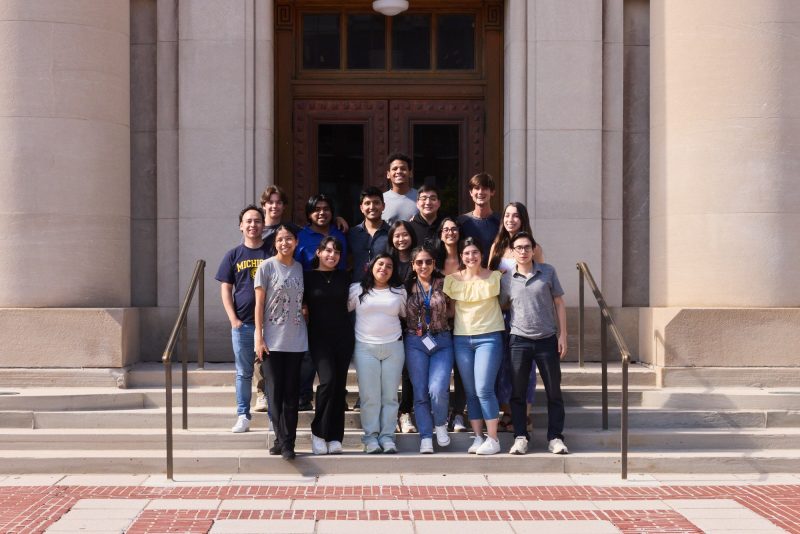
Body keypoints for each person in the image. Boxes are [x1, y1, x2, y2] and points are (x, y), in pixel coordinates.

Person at [500, 232, 568, 455]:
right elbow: (501, 305)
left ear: (533, 249)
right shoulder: (506, 278)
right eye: (518, 248)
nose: (523, 251)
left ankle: (555, 437)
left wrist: (563, 335)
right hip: (519, 340)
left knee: (553, 391)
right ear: (512, 251)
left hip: (547, 339)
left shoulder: (547, 271)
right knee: (518, 392)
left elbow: (559, 303)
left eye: (527, 247)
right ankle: (520, 436)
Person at [443, 236, 505, 455]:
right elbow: (450, 311)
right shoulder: (452, 280)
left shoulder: (495, 277)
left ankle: (493, 439)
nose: (471, 256)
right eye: (467, 253)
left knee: (484, 389)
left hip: (489, 337)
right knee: (470, 392)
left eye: (475, 252)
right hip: (461, 339)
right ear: (461, 256)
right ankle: (478, 437)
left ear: (482, 254)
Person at [215, 205, 271, 434]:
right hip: (243, 325)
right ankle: (243, 415)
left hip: (270, 325)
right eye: (248, 221)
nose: (253, 225)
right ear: (241, 226)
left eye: (257, 221)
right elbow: (225, 288)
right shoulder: (233, 255)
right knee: (244, 372)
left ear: (263, 225)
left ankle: (274, 417)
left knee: (272, 372)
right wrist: (233, 319)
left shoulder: (271, 253)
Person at [254, 225, 308, 460]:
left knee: (291, 395)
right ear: (275, 243)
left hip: (296, 340)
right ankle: (284, 442)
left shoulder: (300, 268)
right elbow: (258, 304)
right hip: (271, 341)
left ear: (296, 242)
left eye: (289, 239)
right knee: (274, 394)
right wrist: (259, 336)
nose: (285, 243)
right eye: (280, 239)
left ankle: (285, 441)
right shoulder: (266, 267)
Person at [487, 202, 541, 432]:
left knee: (525, 365)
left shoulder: (533, 247)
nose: (510, 220)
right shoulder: (497, 246)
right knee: (503, 365)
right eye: (507, 215)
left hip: (524, 314)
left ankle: (525, 415)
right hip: (500, 314)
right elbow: (489, 278)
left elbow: (541, 281)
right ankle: (507, 412)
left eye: (515, 216)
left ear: (523, 219)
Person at [348, 253, 407, 453]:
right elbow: (342, 310)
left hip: (394, 348)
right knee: (369, 396)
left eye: (389, 266)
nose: (384, 268)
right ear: (371, 266)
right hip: (365, 348)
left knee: (390, 396)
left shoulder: (399, 291)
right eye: (380, 264)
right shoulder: (357, 289)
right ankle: (371, 438)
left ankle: (388, 437)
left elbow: (405, 314)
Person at [303, 236, 354, 455]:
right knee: (328, 381)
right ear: (319, 252)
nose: (332, 255)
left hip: (343, 337)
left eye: (337, 252)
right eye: (328, 251)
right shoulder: (307, 277)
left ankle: (335, 436)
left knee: (339, 386)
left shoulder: (345, 277)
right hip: (318, 338)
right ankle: (318, 432)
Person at [404, 246, 454, 453]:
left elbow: (452, 310)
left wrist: (436, 320)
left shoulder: (445, 283)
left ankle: (440, 424)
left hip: (441, 340)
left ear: (434, 263)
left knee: (437, 389)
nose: (424, 265)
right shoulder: (406, 287)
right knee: (420, 391)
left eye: (428, 261)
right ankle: (425, 436)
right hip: (415, 342)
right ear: (413, 265)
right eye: (419, 262)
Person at [434, 217, 467, 432]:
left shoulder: (467, 260)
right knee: (443, 371)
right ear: (440, 234)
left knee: (462, 371)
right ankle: (444, 412)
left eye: (454, 229)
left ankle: (459, 414)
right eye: (446, 229)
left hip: (466, 322)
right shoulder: (434, 262)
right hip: (440, 324)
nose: (450, 232)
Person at [386, 219, 418, 433]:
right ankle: (388, 414)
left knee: (408, 371)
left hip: (414, 323)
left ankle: (405, 412)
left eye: (405, 234)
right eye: (397, 235)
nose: (401, 239)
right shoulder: (387, 262)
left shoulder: (420, 259)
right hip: (390, 322)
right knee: (389, 371)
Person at [295, 194, 348, 271]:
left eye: (326, 209)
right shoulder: (300, 237)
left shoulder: (340, 233)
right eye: (317, 209)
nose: (322, 212)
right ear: (309, 214)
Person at [348, 186, 390, 283]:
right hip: (357, 286)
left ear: (383, 206)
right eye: (367, 203)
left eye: (376, 203)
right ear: (361, 208)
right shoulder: (352, 233)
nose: (372, 207)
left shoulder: (392, 233)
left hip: (384, 287)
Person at [457, 173, 500, 265]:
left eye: (485, 188)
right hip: (469, 272)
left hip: (496, 272)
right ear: (471, 192)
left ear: (492, 192)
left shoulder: (502, 222)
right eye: (477, 188)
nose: (480, 192)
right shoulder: (461, 222)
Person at [382, 153, 418, 224]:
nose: (399, 171)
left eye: (403, 169)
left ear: (410, 173)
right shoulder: (381, 199)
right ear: (388, 174)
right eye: (394, 169)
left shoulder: (421, 198)